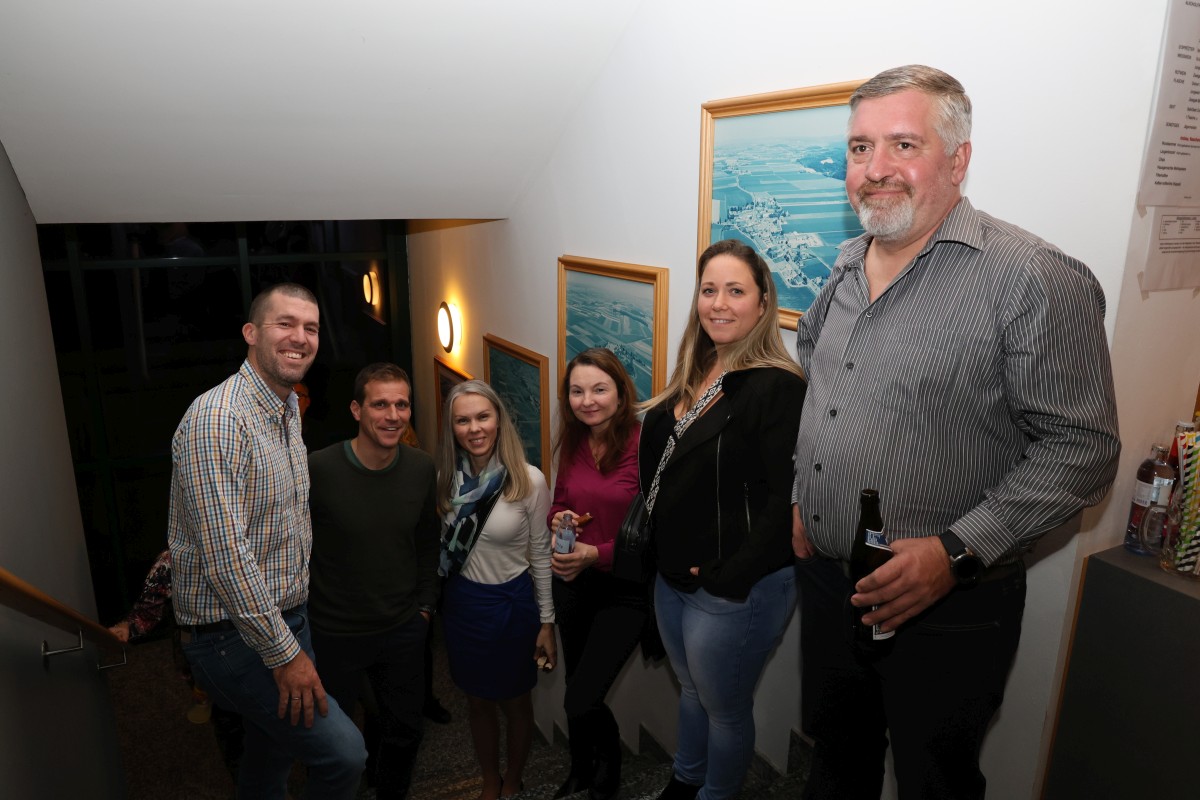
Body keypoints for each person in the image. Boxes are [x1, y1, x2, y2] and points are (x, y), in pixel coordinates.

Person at [790, 65, 1121, 800]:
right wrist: (802, 497)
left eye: (903, 144)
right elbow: (822, 389)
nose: (876, 169)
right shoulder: (844, 265)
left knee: (934, 783)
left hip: (948, 610)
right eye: (859, 148)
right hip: (830, 583)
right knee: (835, 761)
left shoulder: (1032, 278)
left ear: (958, 159)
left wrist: (955, 552)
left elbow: (1084, 449)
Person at [168, 282, 366, 800]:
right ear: (251, 333)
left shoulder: (285, 409)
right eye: (285, 324)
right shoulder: (218, 420)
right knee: (344, 754)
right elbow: (227, 559)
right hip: (230, 635)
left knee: (271, 750)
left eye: (311, 328)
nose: (300, 337)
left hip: (286, 618)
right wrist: (286, 657)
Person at [641, 239, 806, 800]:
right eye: (709, 290)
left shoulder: (778, 386)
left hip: (734, 588)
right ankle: (685, 781)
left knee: (725, 710)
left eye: (736, 291)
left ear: (763, 303)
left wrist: (726, 577)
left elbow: (783, 501)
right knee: (692, 691)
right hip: (673, 577)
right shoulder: (697, 367)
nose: (719, 303)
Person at [307, 362, 440, 800]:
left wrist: (425, 607)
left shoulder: (421, 467)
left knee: (405, 731)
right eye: (380, 405)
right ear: (356, 410)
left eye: (402, 405)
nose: (393, 415)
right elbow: (293, 549)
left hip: (401, 629)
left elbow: (427, 543)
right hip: (334, 633)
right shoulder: (319, 469)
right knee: (335, 742)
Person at [434, 380, 556, 800]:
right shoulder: (445, 480)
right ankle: (489, 779)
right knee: (477, 701)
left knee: (516, 702)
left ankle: (513, 779)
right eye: (463, 420)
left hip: (512, 606)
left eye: (483, 417)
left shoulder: (529, 480)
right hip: (463, 606)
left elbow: (541, 554)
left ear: (499, 420)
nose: (474, 428)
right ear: (452, 428)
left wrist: (547, 622)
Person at [547, 348, 646, 800]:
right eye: (577, 391)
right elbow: (559, 502)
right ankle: (581, 768)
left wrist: (596, 554)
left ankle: (609, 768)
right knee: (575, 683)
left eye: (599, 389)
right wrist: (558, 519)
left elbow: (656, 534)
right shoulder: (573, 441)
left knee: (582, 696)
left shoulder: (644, 446)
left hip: (624, 590)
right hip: (572, 583)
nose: (587, 401)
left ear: (621, 393)